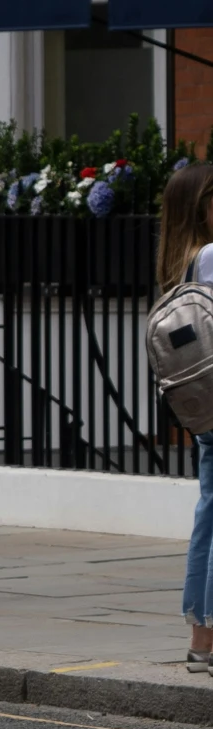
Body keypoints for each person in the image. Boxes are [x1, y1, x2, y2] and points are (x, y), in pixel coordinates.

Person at [154, 161, 213, 672]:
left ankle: (201, 639)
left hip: (204, 406)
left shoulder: (182, 261)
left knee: (208, 519)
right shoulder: (212, 256)